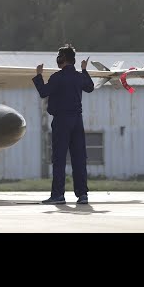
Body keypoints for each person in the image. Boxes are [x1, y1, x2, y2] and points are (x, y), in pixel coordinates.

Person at [32, 45, 95, 205]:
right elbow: (90, 87)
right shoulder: (79, 77)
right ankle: (82, 195)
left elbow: (43, 92)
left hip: (62, 120)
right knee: (79, 158)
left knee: (59, 158)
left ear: (63, 59)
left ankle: (58, 195)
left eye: (59, 56)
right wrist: (84, 70)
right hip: (77, 121)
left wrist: (38, 76)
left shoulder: (57, 77)